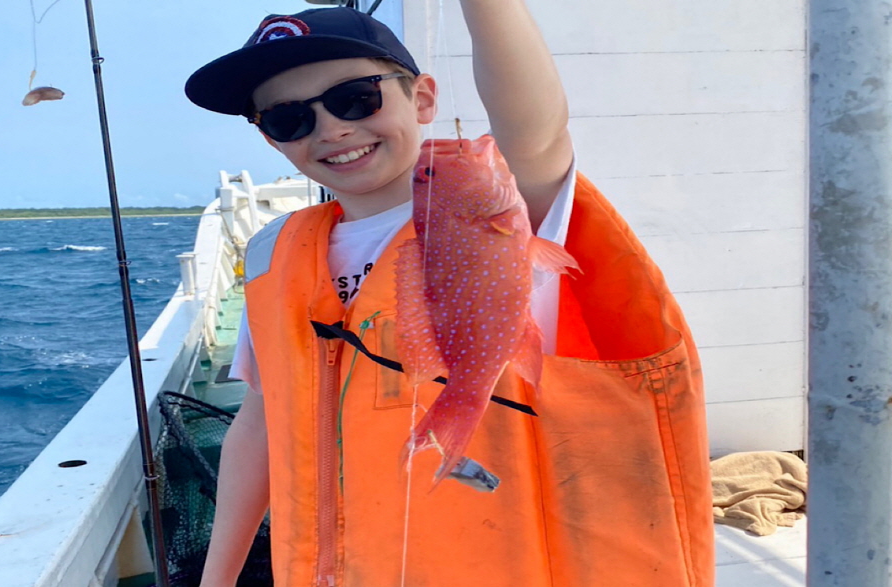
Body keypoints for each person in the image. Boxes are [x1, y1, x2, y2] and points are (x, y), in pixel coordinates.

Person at [185, 4, 715, 587]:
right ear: (269, 137)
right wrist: (218, 578)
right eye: (289, 119)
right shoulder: (273, 253)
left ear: (423, 99)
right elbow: (261, 424)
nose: (332, 129)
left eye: (356, 98)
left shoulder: (501, 210)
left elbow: (536, 132)